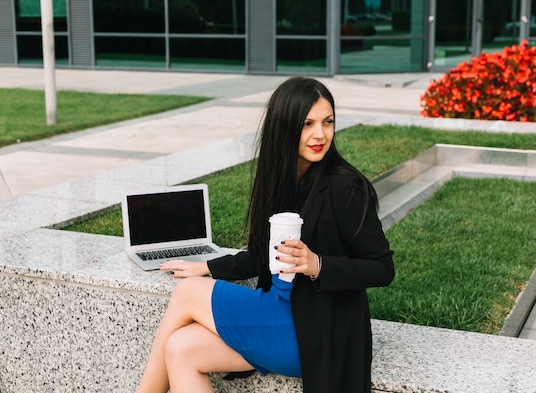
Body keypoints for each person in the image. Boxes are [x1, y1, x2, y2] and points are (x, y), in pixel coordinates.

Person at [135, 76, 395, 393]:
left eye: (328, 122)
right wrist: (210, 266)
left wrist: (317, 265)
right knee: (180, 348)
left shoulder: (345, 186)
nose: (320, 134)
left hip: (313, 330)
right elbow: (262, 256)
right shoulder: (279, 178)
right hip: (278, 311)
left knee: (188, 293)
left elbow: (382, 267)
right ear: (283, 128)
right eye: (307, 123)